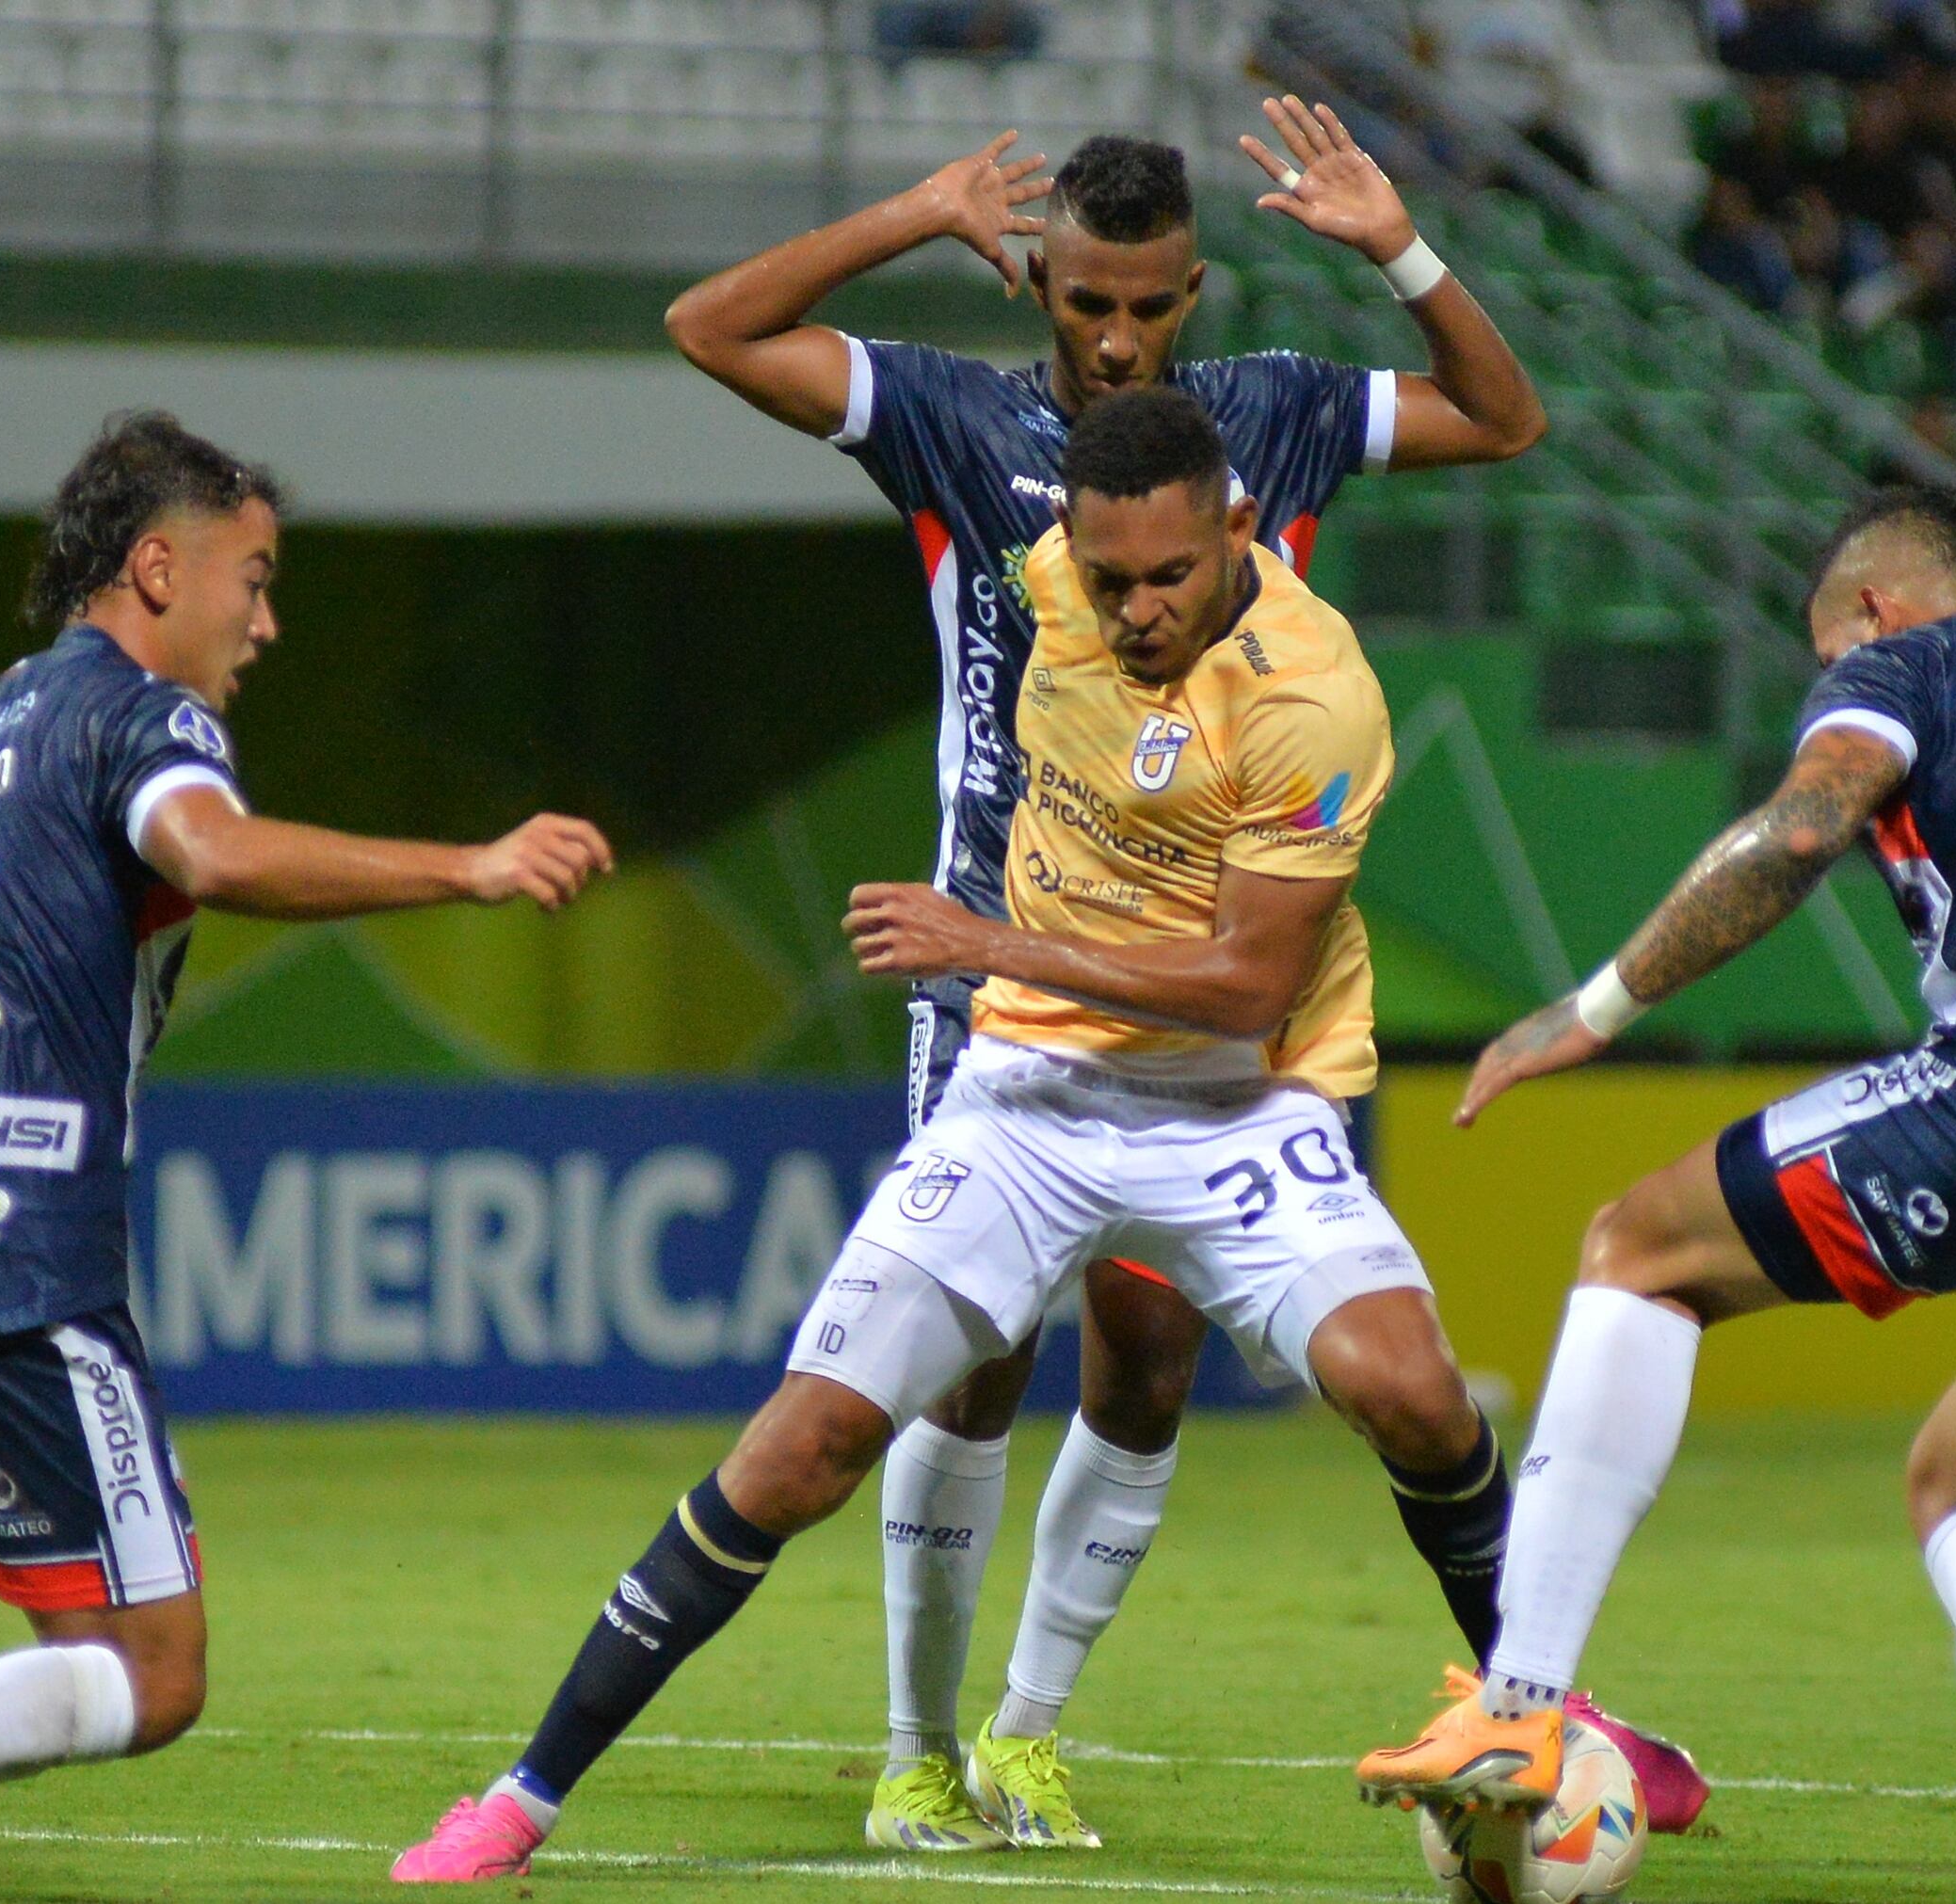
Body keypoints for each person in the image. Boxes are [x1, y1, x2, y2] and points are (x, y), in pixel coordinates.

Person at [391, 387, 1529, 1882]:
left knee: (1417, 1398)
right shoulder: (1046, 572)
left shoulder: (1315, 695)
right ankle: (521, 1802)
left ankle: (1547, 1720)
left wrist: (990, 938)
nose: (1129, 610)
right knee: (800, 1449)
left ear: (1239, 528)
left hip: (1232, 1101)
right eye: (1105, 577)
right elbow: (764, 370)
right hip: (1030, 1098)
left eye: (1166, 578)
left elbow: (1250, 984)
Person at [661, 111, 1564, 1852]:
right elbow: (710, 326)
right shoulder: (948, 413)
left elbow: (1508, 421)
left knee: (1147, 1357)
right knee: (973, 1361)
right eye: (1085, 301)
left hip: (1197, 970)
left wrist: (1401, 249)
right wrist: (911, 212)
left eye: (1148, 308)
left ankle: (1026, 1735)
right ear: (1043, 282)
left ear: (1191, 293)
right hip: (993, 962)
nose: (1115, 341)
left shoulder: (1279, 415)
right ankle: (915, 1752)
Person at [1354, 484, 1956, 1904]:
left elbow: (1805, 829)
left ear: (1869, 607)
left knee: (1638, 1250)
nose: (1827, 684)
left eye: (1824, 657)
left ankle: (1520, 1702)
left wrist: (1594, 1010)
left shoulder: (1908, 660)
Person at [0, 410, 615, 1904]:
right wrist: (469, 865)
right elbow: (209, 854)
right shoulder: (146, 714)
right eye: (249, 581)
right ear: (153, 567)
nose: (264, 622)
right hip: (22, 1239)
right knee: (154, 1667)